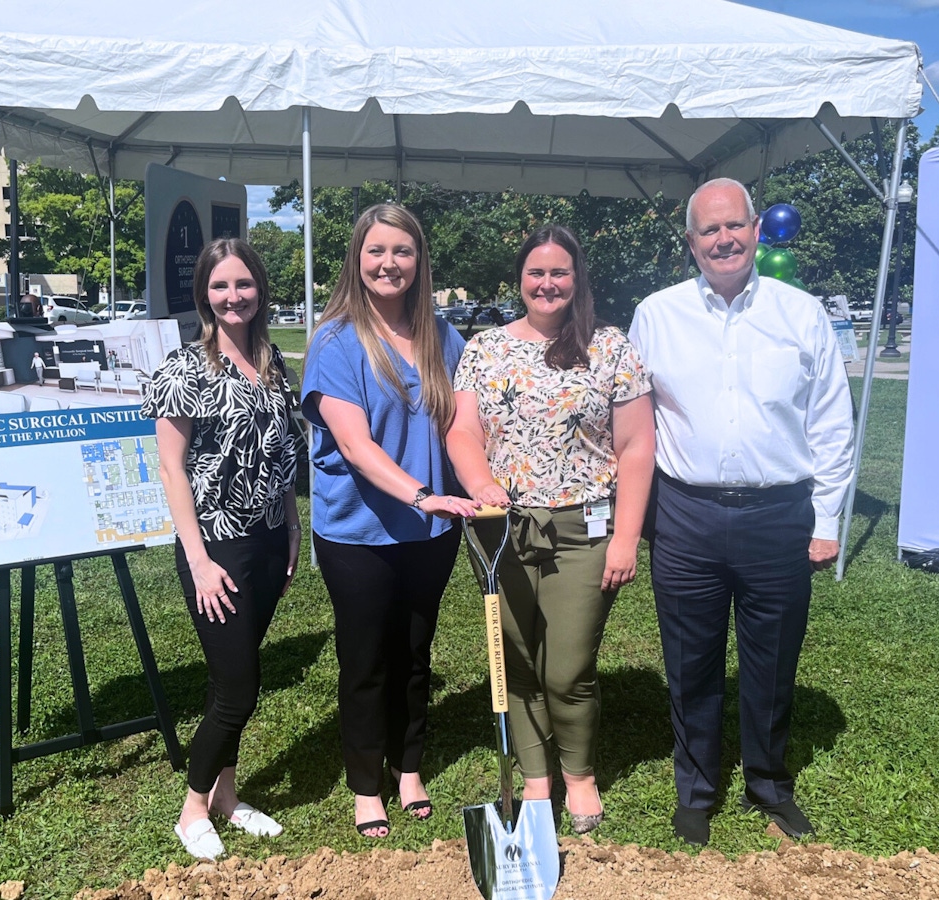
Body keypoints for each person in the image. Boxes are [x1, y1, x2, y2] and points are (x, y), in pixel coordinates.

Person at [628, 178, 855, 846]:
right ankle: (695, 790)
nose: (723, 240)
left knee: (772, 660)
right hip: (686, 516)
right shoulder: (657, 315)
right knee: (690, 660)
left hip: (778, 516)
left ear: (757, 230)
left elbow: (832, 423)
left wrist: (827, 521)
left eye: (735, 226)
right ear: (691, 241)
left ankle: (768, 784)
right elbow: (634, 422)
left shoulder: (802, 313)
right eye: (709, 230)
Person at [447, 224, 655, 834]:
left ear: (577, 277)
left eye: (559, 272)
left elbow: (638, 446)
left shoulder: (609, 346)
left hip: (586, 528)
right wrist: (479, 481)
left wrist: (626, 536)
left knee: (567, 666)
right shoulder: (484, 349)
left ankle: (580, 774)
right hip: (500, 528)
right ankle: (536, 777)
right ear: (521, 279)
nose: (547, 283)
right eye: (536, 273)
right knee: (513, 661)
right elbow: (463, 431)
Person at [301, 203, 480, 839]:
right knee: (366, 659)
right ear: (358, 258)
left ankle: (408, 770)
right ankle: (364, 785)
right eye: (377, 251)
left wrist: (476, 485)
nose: (389, 263)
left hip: (431, 533)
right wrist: (419, 492)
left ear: (418, 261)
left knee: (414, 652)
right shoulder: (336, 341)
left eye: (402, 251)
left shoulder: (441, 336)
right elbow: (353, 444)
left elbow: (465, 422)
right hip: (359, 533)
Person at [142, 238, 301, 860]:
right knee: (238, 687)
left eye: (243, 284)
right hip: (218, 550)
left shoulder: (274, 363)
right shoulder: (186, 371)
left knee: (227, 680)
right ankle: (192, 810)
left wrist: (288, 526)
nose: (233, 297)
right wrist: (201, 559)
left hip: (265, 541)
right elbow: (172, 469)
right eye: (219, 287)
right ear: (204, 295)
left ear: (259, 288)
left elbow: (280, 454)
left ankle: (228, 798)